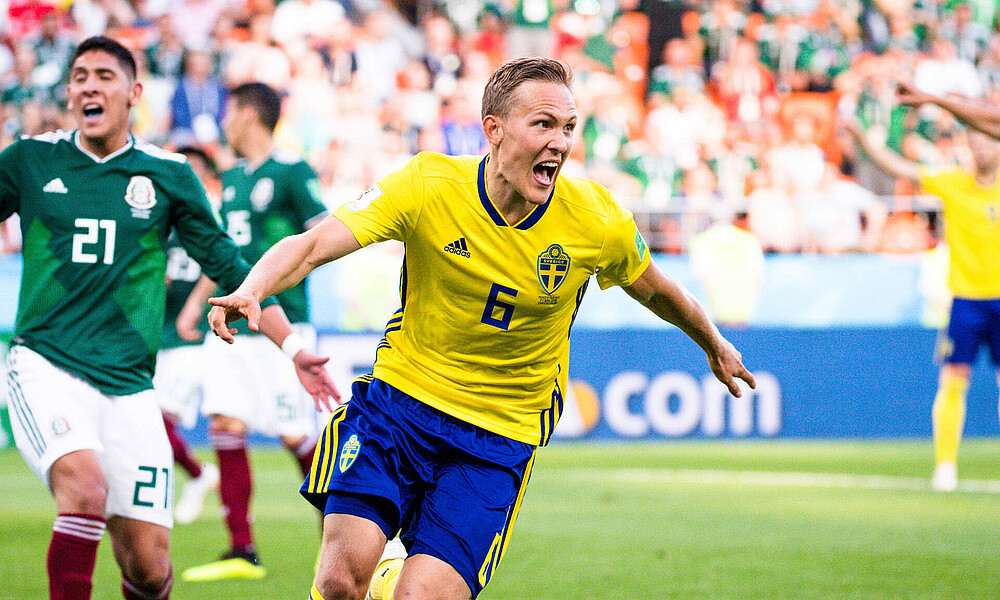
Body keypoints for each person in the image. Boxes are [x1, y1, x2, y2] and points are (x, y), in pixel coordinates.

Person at [207, 57, 755, 600]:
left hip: (498, 436)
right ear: (493, 129)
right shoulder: (428, 184)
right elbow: (311, 246)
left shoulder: (595, 219)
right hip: (399, 404)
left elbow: (657, 288)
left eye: (568, 128)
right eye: (543, 124)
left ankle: (397, 581)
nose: (560, 143)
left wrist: (713, 343)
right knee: (338, 581)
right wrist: (253, 288)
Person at [0, 36, 337, 600]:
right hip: (45, 365)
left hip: (131, 386)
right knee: (84, 489)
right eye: (79, 75)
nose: (89, 85)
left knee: (151, 569)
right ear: (68, 91)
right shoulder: (30, 160)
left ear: (133, 93)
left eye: (104, 75)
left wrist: (292, 350)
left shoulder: (167, 174)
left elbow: (231, 266)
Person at [179, 81, 333, 582]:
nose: (223, 118)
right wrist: (194, 305)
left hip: (279, 323)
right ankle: (241, 548)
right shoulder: (235, 179)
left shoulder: (292, 172)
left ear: (247, 114)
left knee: (296, 437)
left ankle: (345, 541)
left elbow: (325, 233)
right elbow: (224, 252)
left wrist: (283, 282)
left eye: (229, 108)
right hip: (231, 322)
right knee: (225, 423)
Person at [845, 117, 1000, 492]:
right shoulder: (952, 182)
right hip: (964, 300)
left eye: (989, 141)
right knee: (952, 382)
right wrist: (866, 138)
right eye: (975, 142)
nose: (982, 149)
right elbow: (898, 167)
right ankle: (945, 465)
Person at [155, 145, 221, 526]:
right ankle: (194, 476)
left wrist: (194, 305)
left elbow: (219, 261)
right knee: (147, 425)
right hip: (158, 336)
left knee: (159, 420)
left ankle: (196, 476)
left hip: (191, 338)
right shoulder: (161, 214)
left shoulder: (210, 215)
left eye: (195, 169)